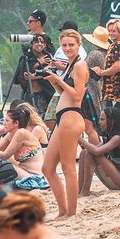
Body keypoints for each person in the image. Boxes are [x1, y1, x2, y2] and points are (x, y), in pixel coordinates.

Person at [41, 29, 88, 218]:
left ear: (79, 45)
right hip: (63, 117)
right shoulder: (70, 65)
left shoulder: (80, 65)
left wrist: (58, 79)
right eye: (64, 45)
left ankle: (71, 213)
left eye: (71, 45)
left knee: (68, 167)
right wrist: (54, 81)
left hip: (71, 117)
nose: (68, 48)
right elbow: (65, 94)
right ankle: (62, 210)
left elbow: (77, 96)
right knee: (47, 168)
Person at [78, 104, 120, 196]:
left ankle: (85, 191)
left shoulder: (118, 137)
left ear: (112, 121)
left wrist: (79, 137)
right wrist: (79, 141)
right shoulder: (110, 136)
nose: (99, 122)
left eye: (102, 119)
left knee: (90, 154)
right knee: (84, 153)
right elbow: (93, 149)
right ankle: (80, 190)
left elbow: (96, 152)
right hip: (117, 177)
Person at [92, 19, 120, 122]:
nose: (111, 33)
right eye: (109, 30)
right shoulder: (112, 45)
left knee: (113, 120)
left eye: (114, 31)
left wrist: (102, 72)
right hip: (110, 89)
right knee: (109, 119)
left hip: (116, 90)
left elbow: (118, 66)